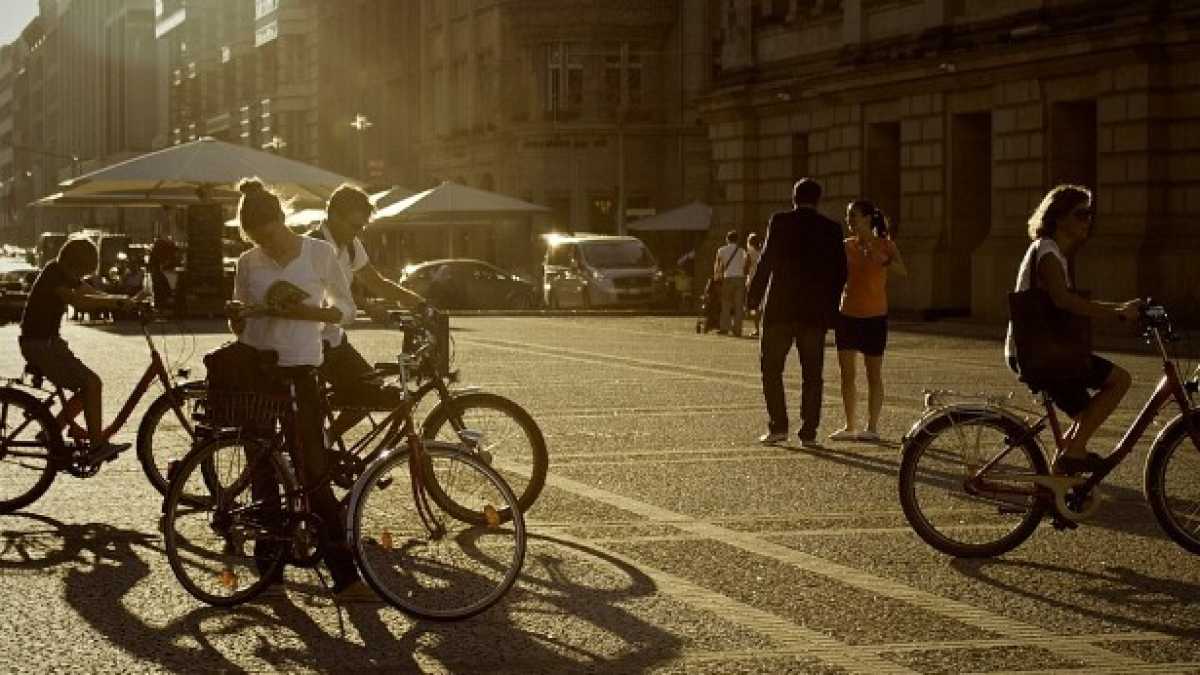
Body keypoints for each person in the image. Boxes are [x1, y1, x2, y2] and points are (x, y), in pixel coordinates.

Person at [226, 178, 378, 603]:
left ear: (282, 221)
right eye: (257, 239)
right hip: (258, 372)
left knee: (313, 472)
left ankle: (345, 578)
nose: (267, 246)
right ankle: (268, 574)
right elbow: (239, 322)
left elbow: (345, 310)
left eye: (270, 235)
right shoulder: (248, 262)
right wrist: (235, 314)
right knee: (263, 473)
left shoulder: (319, 253)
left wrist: (311, 312)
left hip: (301, 371)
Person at [1004, 184, 1141, 475]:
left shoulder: (1051, 252)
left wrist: (1120, 307)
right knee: (1120, 380)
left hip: (1043, 350)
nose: (1087, 220)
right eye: (1081, 214)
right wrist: (1117, 312)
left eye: (1090, 214)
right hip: (1039, 353)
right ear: (1058, 217)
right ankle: (1073, 453)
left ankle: (1060, 474)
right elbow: (1063, 301)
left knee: (1086, 415)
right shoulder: (1048, 253)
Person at [308, 183, 425, 437]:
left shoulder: (350, 245)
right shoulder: (313, 246)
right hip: (310, 341)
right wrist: (365, 304)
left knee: (369, 391)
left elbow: (376, 282)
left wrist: (416, 302)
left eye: (361, 227)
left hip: (333, 338)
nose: (357, 232)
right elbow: (316, 295)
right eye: (353, 226)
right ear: (332, 215)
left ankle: (324, 443)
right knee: (364, 393)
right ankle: (313, 451)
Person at [18, 238, 139, 461]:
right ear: (73, 264)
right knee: (92, 384)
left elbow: (89, 290)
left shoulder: (61, 272)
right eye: (82, 271)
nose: (81, 277)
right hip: (41, 345)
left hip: (48, 343)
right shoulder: (54, 275)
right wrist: (115, 303)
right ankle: (96, 446)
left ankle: (50, 432)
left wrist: (122, 299)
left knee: (88, 388)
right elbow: (79, 301)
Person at [747, 178, 847, 446]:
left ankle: (778, 426)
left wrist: (753, 297)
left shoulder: (780, 221)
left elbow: (766, 261)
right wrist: (832, 309)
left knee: (771, 369)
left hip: (780, 307)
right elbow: (840, 273)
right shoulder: (831, 228)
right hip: (813, 312)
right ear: (818, 199)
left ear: (794, 198)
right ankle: (809, 432)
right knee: (812, 374)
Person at [828, 201, 907, 442]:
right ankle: (849, 425)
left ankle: (872, 427)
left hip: (875, 316)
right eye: (848, 216)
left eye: (853, 216)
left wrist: (881, 258)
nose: (849, 220)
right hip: (847, 315)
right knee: (846, 373)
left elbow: (902, 272)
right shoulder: (845, 247)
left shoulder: (886, 244)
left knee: (873, 373)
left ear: (867, 219)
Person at [712, 230, 748, 336]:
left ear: (727, 239)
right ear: (737, 240)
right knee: (738, 305)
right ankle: (737, 329)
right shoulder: (742, 251)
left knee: (726, 304)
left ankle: (725, 327)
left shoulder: (721, 250)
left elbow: (718, 265)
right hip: (740, 278)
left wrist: (716, 277)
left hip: (728, 278)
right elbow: (745, 265)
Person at [745, 232, 763, 338]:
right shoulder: (763, 251)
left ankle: (757, 329)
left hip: (752, 281)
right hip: (763, 281)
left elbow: (746, 267)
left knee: (754, 307)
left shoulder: (749, 252)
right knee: (763, 305)